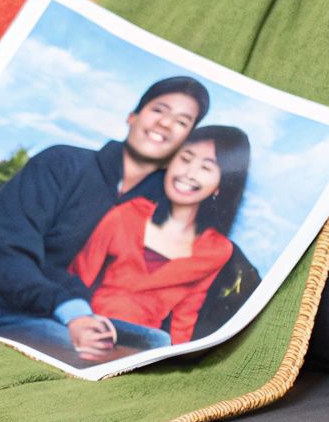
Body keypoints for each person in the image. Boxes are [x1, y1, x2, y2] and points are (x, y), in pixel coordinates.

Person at [0, 76, 211, 357]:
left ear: (187, 140)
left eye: (182, 121)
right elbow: (4, 249)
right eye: (159, 110)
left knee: (132, 347)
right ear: (132, 116)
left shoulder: (159, 206)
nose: (166, 123)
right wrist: (71, 310)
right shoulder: (62, 163)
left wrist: (80, 317)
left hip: (33, 314)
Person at [66, 125, 248, 357]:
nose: (188, 173)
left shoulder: (217, 250)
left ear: (220, 185)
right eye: (185, 159)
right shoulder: (126, 214)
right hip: (91, 326)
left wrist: (173, 361)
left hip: (144, 344)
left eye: (206, 167)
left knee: (160, 340)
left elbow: (185, 317)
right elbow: (79, 276)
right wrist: (77, 323)